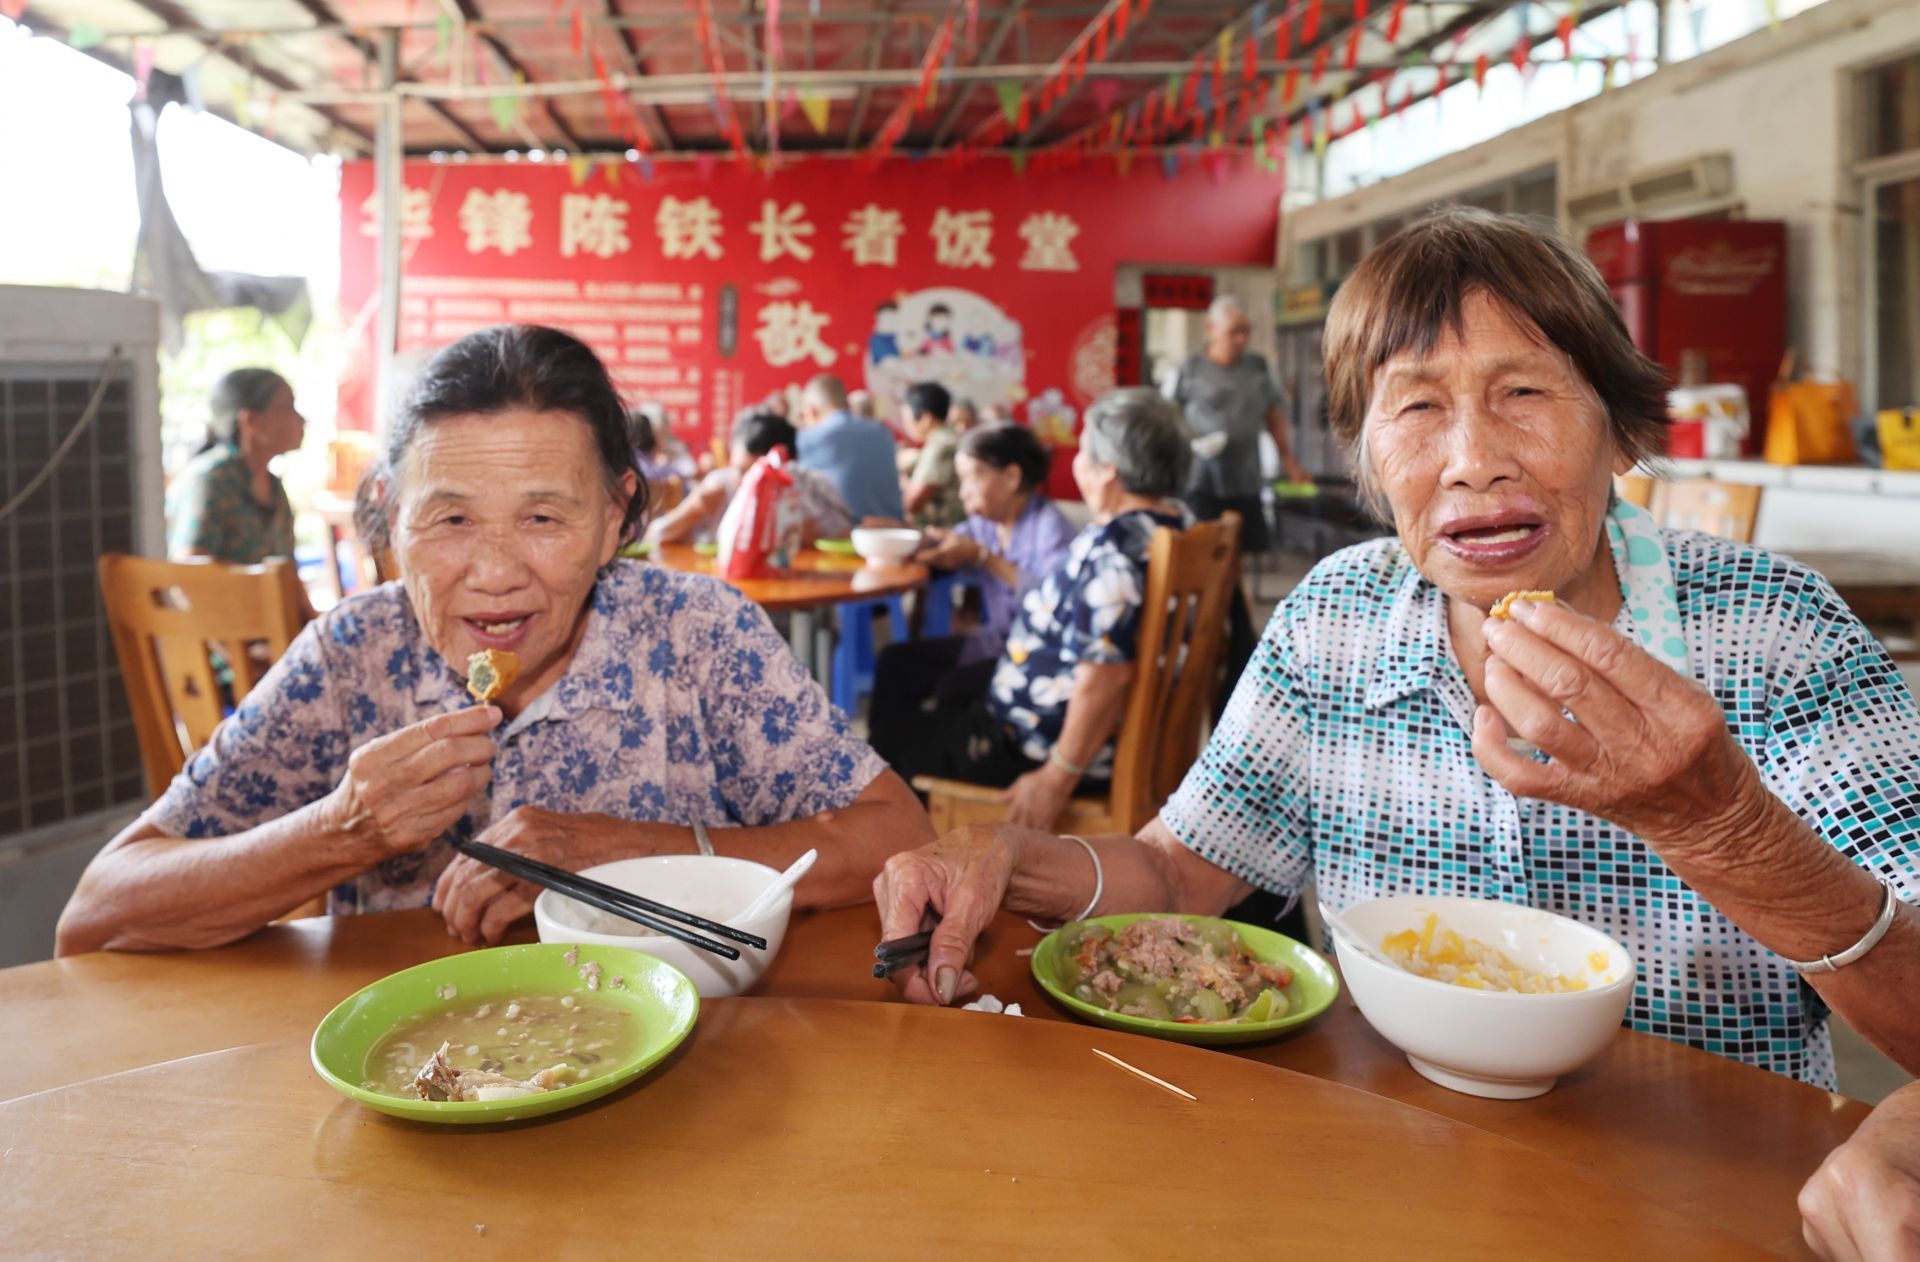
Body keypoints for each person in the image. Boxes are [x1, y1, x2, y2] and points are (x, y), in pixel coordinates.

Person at [874, 209, 1920, 1258]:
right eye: (1416, 407)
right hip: (1388, 1185)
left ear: (1622, 426)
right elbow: (1179, 871)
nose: (1471, 460)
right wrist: (1012, 857)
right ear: (1368, 462)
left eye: (1523, 392)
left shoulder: (1772, 632)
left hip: (1715, 1204)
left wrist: (1726, 830)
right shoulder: (1337, 615)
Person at [55, 324, 932, 955]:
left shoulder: (699, 634)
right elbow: (97, 916)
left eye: (544, 517)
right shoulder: (352, 654)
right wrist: (342, 832)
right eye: (450, 519)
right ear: (392, 520)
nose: (495, 573)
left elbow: (897, 833)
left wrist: (617, 848)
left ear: (614, 516)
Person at [869, 388, 1192, 830]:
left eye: (1082, 449)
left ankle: (910, 862)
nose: (1076, 460)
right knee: (927, 705)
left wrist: (1057, 775)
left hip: (1036, 750)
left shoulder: (1112, 551)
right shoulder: (1173, 528)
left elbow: (1106, 673)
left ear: (1107, 470)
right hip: (1061, 733)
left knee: (892, 762)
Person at [870, 423, 1075, 737]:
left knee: (953, 688)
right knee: (896, 663)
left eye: (972, 477)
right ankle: (886, 769)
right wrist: (904, 534)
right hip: (994, 645)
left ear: (1011, 477)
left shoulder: (1049, 527)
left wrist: (985, 558)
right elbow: (948, 541)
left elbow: (1054, 601)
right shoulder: (987, 524)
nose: (964, 490)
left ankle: (940, 772)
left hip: (1034, 658)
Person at [1163, 294, 1309, 551]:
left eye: (1245, 332)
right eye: (1234, 332)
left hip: (1245, 476)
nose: (1241, 339)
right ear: (1211, 329)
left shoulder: (1258, 367)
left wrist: (1289, 460)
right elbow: (1166, 414)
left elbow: (1273, 414)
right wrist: (1189, 440)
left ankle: (1235, 591)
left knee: (1243, 550)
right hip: (1200, 478)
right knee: (1203, 547)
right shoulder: (1188, 368)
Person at [645, 410, 853, 547]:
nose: (746, 481)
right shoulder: (721, 486)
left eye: (758, 474)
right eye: (739, 469)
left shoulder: (807, 486)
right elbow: (653, 537)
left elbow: (847, 530)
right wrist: (693, 510)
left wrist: (812, 533)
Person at [167, 367, 305, 566]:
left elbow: (287, 574)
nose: (300, 420)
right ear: (251, 421)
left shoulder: (273, 486)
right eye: (288, 408)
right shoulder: (211, 480)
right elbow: (189, 573)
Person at [794, 372, 904, 522]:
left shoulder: (809, 438)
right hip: (895, 528)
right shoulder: (883, 432)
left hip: (850, 536)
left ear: (812, 410)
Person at [899, 382, 964, 529]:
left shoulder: (940, 446)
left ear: (926, 418)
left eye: (906, 417)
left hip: (944, 534)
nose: (905, 424)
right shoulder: (954, 437)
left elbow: (913, 503)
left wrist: (902, 474)